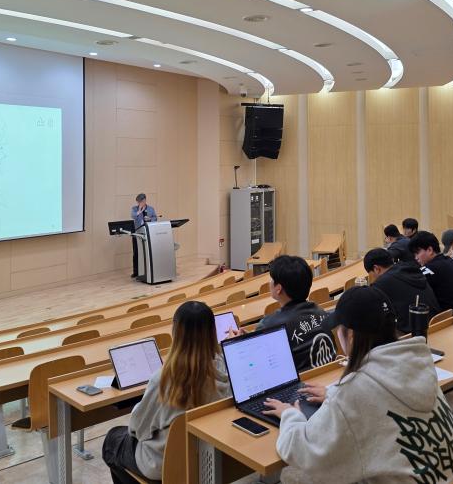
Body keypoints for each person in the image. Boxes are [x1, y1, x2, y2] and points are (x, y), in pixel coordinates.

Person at [263, 286, 453, 484]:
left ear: (351, 336)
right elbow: (378, 398)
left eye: (338, 330)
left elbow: (304, 452)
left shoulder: (353, 391)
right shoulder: (417, 363)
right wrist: (334, 394)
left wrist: (290, 415)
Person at [102, 301, 230, 483]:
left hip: (164, 464)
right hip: (209, 457)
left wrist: (139, 407)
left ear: (176, 331)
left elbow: (137, 429)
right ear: (212, 331)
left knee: (112, 440)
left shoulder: (165, 379)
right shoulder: (226, 367)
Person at [231, 255, 336, 370]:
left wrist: (234, 345)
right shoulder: (320, 311)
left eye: (272, 279)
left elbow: (254, 366)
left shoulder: (269, 325)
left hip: (299, 381)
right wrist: (255, 338)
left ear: (278, 288)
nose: (270, 282)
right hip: (328, 376)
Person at [364, 247, 439, 332]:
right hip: (437, 323)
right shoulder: (409, 268)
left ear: (376, 268)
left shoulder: (381, 283)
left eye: (370, 274)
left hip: (414, 333)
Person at [408, 231, 453, 314]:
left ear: (430, 250)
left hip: (449, 317)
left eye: (417, 253)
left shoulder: (430, 268)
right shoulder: (449, 260)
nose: (416, 257)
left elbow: (410, 287)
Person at [129, 193, 156, 278]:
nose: (139, 203)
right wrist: (139, 211)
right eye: (138, 202)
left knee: (147, 252)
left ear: (144, 200)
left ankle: (147, 271)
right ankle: (136, 272)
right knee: (136, 252)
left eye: (140, 202)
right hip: (137, 233)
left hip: (147, 232)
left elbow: (155, 218)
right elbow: (133, 216)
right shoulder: (134, 208)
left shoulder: (151, 209)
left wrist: (150, 219)